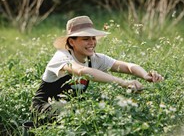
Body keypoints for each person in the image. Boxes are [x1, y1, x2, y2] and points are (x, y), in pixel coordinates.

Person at [31, 16, 163, 124]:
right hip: (43, 108)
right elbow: (82, 71)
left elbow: (128, 66)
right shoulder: (62, 56)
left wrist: (145, 75)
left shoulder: (93, 58)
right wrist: (123, 82)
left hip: (72, 109)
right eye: (85, 39)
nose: (92, 42)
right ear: (72, 42)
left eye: (93, 38)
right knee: (73, 112)